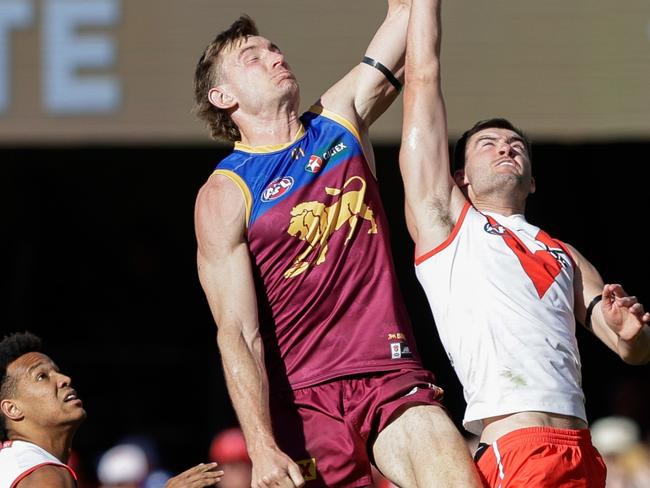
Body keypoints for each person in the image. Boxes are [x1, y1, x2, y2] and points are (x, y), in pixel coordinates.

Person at [192, 3, 481, 488]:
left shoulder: (337, 120)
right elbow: (238, 334)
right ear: (223, 96)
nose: (274, 56)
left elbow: (406, 19)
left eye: (274, 49)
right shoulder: (225, 192)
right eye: (253, 57)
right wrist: (260, 446)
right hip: (303, 404)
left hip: (388, 373)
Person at [398, 1, 650, 487]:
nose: (506, 148)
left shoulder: (566, 254)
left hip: (584, 451)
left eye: (515, 145)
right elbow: (423, 82)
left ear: (533, 181)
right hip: (518, 447)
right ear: (460, 178)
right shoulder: (449, 226)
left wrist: (633, 333)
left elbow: (631, 352)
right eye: (488, 144)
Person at [0, 332, 223, 488]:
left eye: (56, 371)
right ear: (12, 408)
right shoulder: (44, 473)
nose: (64, 379)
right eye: (42, 376)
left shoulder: (18, 463)